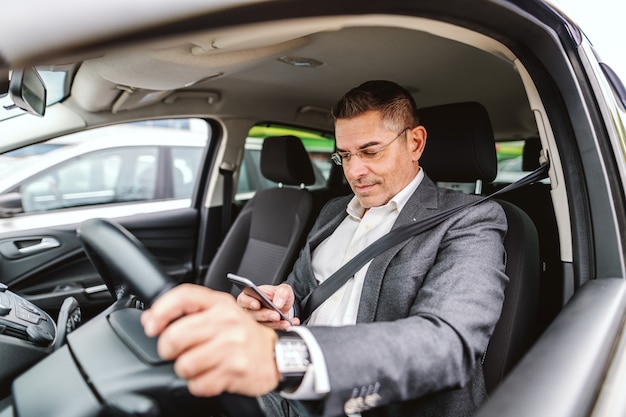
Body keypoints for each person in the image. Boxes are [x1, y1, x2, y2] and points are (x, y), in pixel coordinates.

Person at [141, 80, 508, 417]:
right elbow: (300, 293)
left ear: (415, 143)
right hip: (288, 394)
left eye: (370, 151)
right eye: (345, 155)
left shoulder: (470, 220)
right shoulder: (334, 212)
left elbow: (447, 344)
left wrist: (286, 357)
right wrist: (279, 304)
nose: (355, 171)